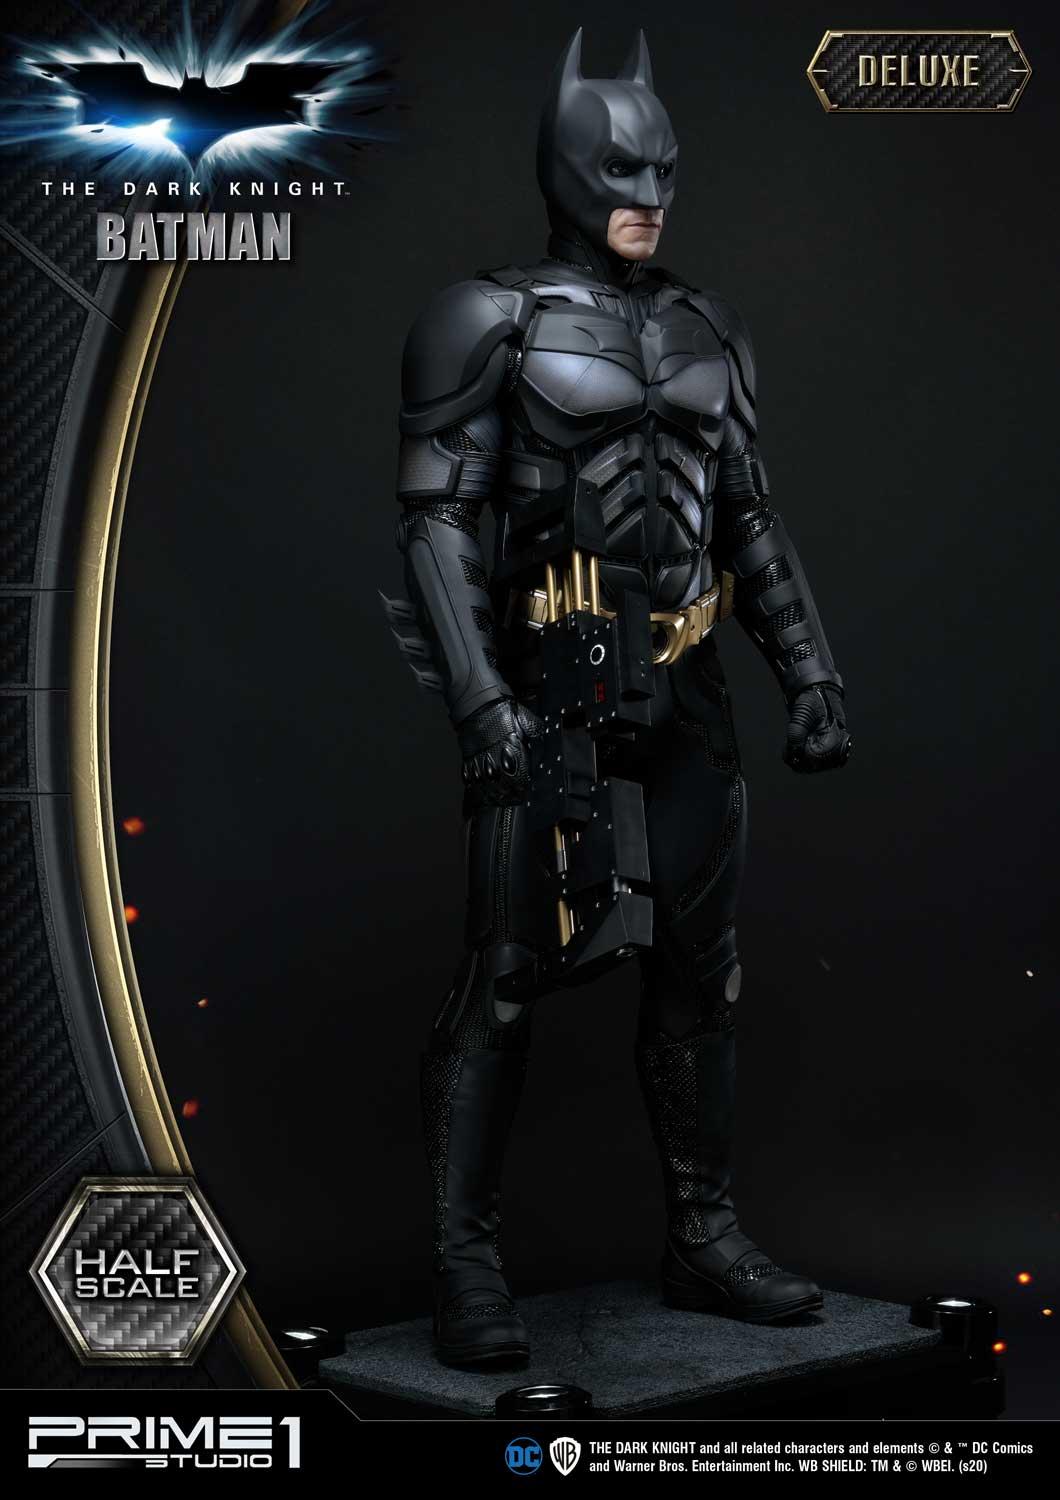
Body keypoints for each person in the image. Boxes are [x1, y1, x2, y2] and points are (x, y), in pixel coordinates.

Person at [385, 30, 851, 1368]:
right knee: (509, 977)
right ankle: (465, 1263)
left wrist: (810, 670)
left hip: (690, 683)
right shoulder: (487, 319)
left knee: (702, 975)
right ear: (566, 171)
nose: (649, 193)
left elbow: (746, 513)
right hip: (552, 681)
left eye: (664, 169)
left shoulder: (710, 326)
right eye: (621, 169)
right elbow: (435, 523)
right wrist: (484, 710)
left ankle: (702, 1237)